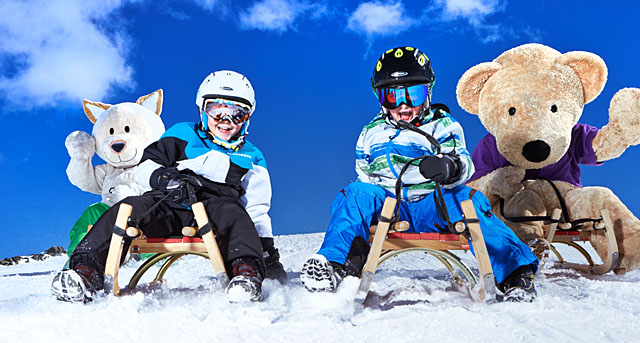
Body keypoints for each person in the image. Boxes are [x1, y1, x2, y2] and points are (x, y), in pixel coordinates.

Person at [300, 47, 539, 302]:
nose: (403, 105)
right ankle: (336, 267)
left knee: (469, 199)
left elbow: (464, 162)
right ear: (380, 97)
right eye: (392, 97)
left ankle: (516, 273)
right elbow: (365, 175)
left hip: (435, 204)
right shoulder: (372, 132)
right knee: (354, 195)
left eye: (412, 94)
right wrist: (367, 199)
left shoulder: (442, 123)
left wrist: (449, 167)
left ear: (428, 92)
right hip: (389, 207)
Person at [51, 70, 286, 303]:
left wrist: (267, 253)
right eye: (217, 112)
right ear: (203, 110)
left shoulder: (251, 156)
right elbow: (146, 164)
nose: (225, 122)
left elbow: (256, 209)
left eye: (237, 114)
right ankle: (85, 271)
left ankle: (246, 274)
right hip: (169, 203)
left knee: (234, 212)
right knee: (127, 208)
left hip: (215, 210)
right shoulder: (184, 133)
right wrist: (164, 179)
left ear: (247, 117)